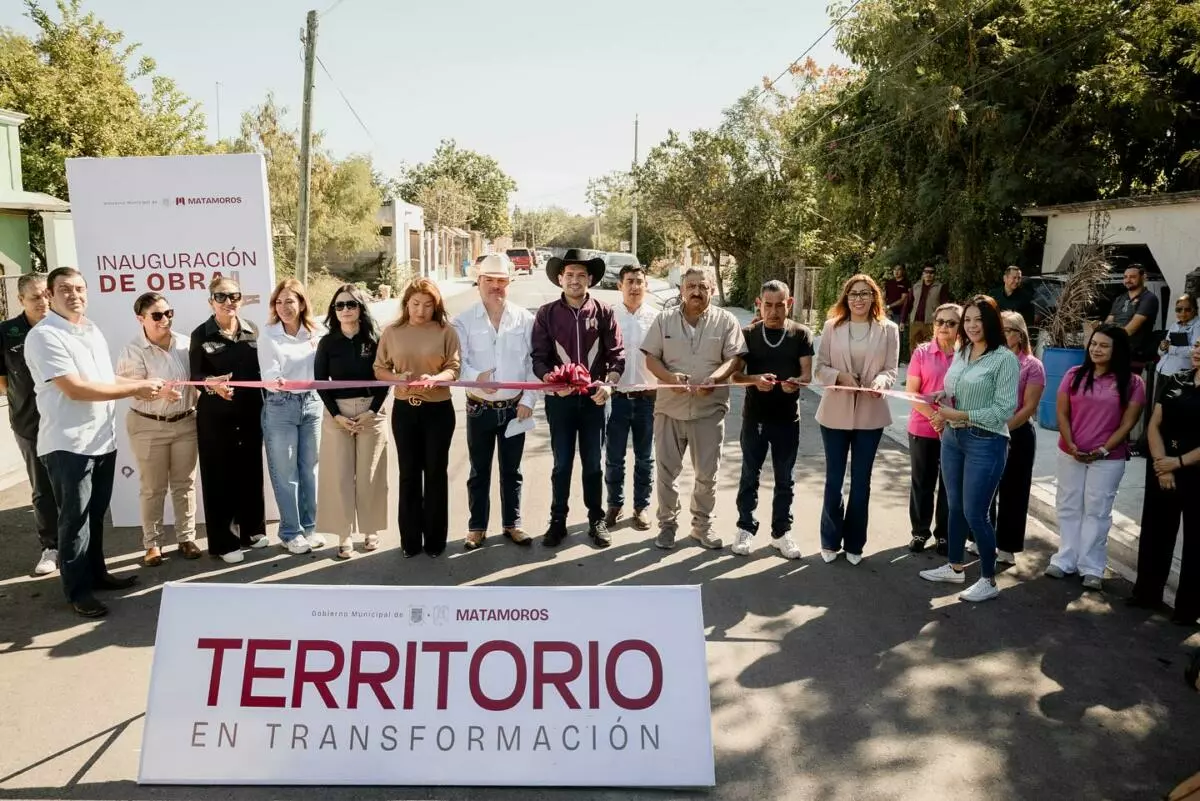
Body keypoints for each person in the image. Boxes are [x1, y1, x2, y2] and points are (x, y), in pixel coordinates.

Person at [24, 268, 161, 617]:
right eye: (65, 290)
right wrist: (135, 389)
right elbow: (76, 389)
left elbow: (102, 379)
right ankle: (77, 590)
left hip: (102, 440)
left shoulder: (90, 328)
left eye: (80, 289)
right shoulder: (44, 336)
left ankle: (97, 575)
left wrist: (144, 382)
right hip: (69, 445)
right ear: (50, 296)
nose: (75, 295)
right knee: (74, 520)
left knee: (95, 515)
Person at [919, 296, 1019, 602]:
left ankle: (988, 579)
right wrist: (938, 394)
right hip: (953, 438)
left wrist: (959, 415)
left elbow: (1003, 410)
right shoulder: (962, 351)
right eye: (969, 320)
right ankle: (955, 566)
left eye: (979, 319)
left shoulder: (1004, 359)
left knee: (977, 513)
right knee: (955, 507)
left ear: (992, 322)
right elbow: (955, 388)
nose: (972, 326)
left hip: (986, 441)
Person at [642, 267, 746, 551]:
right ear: (681, 289)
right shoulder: (664, 321)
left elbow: (735, 360)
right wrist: (668, 378)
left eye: (702, 286)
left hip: (708, 411)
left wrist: (717, 377)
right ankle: (667, 525)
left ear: (711, 289)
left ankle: (702, 526)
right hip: (669, 410)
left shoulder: (726, 321)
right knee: (666, 473)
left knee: (706, 474)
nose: (696, 291)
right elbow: (651, 359)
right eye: (691, 286)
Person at [531, 249, 624, 548]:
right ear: (560, 278)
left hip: (596, 401)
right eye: (569, 275)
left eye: (581, 275)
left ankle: (595, 519)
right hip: (560, 402)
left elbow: (616, 356)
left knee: (594, 464)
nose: (574, 280)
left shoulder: (604, 312)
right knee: (561, 463)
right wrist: (551, 381)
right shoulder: (546, 313)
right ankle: (558, 520)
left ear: (590, 279)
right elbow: (539, 358)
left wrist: (609, 385)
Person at [1046, 324, 1145, 591]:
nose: (1096, 349)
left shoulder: (1133, 383)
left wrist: (1102, 450)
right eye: (1094, 344)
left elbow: (1127, 424)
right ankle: (1065, 558)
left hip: (1108, 458)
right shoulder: (1074, 374)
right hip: (1071, 453)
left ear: (1117, 351)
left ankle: (1091, 567)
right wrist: (1071, 443)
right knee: (1068, 505)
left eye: (1103, 345)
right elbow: (1062, 413)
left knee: (1097, 511)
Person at [813, 274, 899, 565]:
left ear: (874, 297)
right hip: (834, 413)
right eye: (853, 294)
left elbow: (891, 369)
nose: (858, 299)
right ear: (845, 298)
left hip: (870, 414)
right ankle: (829, 539)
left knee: (861, 481)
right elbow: (820, 368)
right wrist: (840, 376)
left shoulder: (888, 330)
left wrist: (882, 383)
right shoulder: (831, 327)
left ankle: (855, 543)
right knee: (834, 480)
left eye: (864, 293)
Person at [452, 254, 537, 549]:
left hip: (515, 408)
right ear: (479, 282)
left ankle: (512, 524)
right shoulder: (462, 321)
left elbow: (533, 364)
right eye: (490, 281)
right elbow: (456, 364)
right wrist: (477, 377)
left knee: (512, 471)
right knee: (479, 471)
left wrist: (529, 398)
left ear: (509, 284)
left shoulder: (525, 319)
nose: (496, 287)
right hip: (479, 408)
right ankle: (477, 527)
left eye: (502, 281)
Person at [374, 278, 461, 558]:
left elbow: (454, 369)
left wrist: (437, 379)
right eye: (415, 304)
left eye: (427, 304)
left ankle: (435, 541)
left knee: (435, 474)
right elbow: (379, 369)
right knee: (409, 475)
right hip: (405, 412)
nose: (421, 310)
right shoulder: (392, 332)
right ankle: (410, 541)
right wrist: (396, 378)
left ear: (436, 306)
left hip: (438, 411)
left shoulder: (446, 331)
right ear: (406, 304)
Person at [115, 292, 201, 567]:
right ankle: (152, 544)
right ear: (140, 319)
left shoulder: (187, 344)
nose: (165, 320)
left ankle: (186, 538)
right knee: (153, 488)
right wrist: (159, 393)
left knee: (184, 484)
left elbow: (198, 380)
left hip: (186, 422)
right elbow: (130, 389)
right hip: (148, 425)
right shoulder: (132, 350)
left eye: (168, 313)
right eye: (157, 315)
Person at [730, 280, 813, 559]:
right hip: (755, 418)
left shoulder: (801, 334)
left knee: (784, 479)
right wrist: (755, 380)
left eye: (780, 305)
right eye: (768, 305)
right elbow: (735, 376)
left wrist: (796, 384)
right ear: (759, 304)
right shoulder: (749, 334)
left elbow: (807, 376)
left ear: (789, 303)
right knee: (749, 474)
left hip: (788, 419)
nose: (774, 311)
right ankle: (745, 528)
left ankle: (781, 532)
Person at [190, 275, 268, 565]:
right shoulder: (201, 334)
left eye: (233, 296)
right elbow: (194, 377)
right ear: (211, 301)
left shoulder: (253, 331)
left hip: (249, 414)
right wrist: (211, 383)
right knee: (218, 478)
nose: (228, 302)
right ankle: (224, 541)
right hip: (215, 418)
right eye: (221, 297)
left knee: (250, 472)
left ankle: (252, 531)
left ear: (241, 299)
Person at [314, 284, 388, 559]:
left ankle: (370, 530)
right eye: (339, 305)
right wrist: (337, 416)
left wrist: (373, 411)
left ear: (360, 308)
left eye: (351, 304)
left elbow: (384, 378)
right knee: (340, 476)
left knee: (370, 476)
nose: (345, 310)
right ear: (334, 311)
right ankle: (343, 535)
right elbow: (321, 382)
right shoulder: (327, 342)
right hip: (337, 415)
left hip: (371, 413)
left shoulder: (375, 339)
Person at [1129, 341, 1199, 624]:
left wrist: (1178, 462)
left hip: (1195, 473)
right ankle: (1146, 594)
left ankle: (1188, 610)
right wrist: (1163, 465)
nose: (1197, 351)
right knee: (1156, 532)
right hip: (1162, 468)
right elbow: (1155, 424)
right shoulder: (1175, 379)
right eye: (1197, 345)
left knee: (1196, 543)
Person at [259, 278, 325, 555]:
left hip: (312, 404)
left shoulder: (316, 331)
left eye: (290, 301)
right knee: (286, 473)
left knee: (310, 470)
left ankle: (309, 528)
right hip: (280, 406)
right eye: (279, 302)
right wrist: (284, 383)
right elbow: (270, 377)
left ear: (301, 303)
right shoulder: (269, 335)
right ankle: (290, 532)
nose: (284, 307)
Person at [0, 273, 59, 576]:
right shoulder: (7, 332)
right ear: (21, 300)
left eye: (47, 295)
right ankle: (51, 546)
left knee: (71, 486)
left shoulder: (63, 326)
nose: (43, 302)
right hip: (29, 425)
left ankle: (79, 545)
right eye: (35, 297)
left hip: (64, 421)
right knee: (42, 488)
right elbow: (3, 381)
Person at [986, 311, 1045, 564]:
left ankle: (1007, 547)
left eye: (1009, 330)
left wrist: (1004, 428)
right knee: (985, 489)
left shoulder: (1032, 365)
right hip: (987, 430)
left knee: (1013, 490)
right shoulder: (989, 360)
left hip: (1017, 433)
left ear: (1020, 335)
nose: (1004, 335)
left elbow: (1028, 407)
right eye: (1000, 329)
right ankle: (983, 539)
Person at [605, 262, 659, 531]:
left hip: (648, 399)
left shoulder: (658, 317)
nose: (635, 286)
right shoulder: (608, 316)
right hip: (616, 399)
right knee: (614, 457)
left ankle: (642, 507)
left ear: (646, 286)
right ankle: (614, 504)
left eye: (640, 281)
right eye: (630, 282)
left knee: (645, 458)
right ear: (620, 286)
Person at [904, 303, 961, 556]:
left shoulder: (966, 356)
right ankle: (919, 531)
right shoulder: (922, 353)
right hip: (923, 427)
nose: (944, 327)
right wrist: (936, 418)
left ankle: (944, 535)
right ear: (933, 325)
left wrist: (946, 420)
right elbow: (912, 392)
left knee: (950, 485)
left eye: (951, 323)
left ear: (960, 327)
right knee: (922, 482)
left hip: (955, 429)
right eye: (940, 322)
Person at [1106, 263, 1160, 445]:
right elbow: (1108, 323)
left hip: (1132, 355)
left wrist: (1110, 336)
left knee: (1126, 398)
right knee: (1109, 395)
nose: (1128, 280)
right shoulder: (1120, 299)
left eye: (1132, 276)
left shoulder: (1149, 299)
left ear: (1142, 277)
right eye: (1126, 276)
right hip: (1113, 351)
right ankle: (1108, 432)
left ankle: (1123, 439)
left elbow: (1132, 328)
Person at [907, 264, 950, 353]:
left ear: (934, 275)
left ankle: (927, 365)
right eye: (926, 272)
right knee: (913, 346)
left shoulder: (940, 287)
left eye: (931, 272)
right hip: (915, 321)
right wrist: (902, 321)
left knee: (930, 346)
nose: (928, 274)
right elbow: (908, 303)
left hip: (931, 322)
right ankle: (915, 365)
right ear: (923, 274)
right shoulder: (916, 286)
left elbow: (945, 306)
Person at [1155, 294, 1199, 378]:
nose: (1183, 312)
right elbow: (1161, 352)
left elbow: (1196, 351)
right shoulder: (1174, 325)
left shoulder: (1198, 326)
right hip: (1162, 370)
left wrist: (1171, 348)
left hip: (1180, 375)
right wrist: (1162, 347)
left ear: (1195, 310)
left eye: (1187, 309)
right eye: (1179, 309)